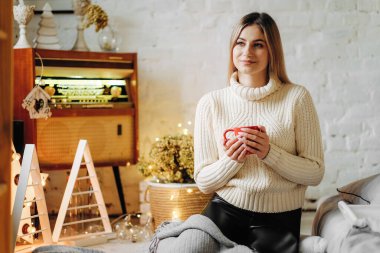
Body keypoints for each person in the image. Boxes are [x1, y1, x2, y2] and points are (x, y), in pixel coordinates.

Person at [194, 12, 324, 253]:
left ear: (272, 50)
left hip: (279, 216)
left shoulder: (297, 98)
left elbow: (315, 173)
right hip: (225, 207)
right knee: (188, 246)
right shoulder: (211, 103)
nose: (247, 53)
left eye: (258, 45)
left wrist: (269, 153)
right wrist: (232, 159)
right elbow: (203, 181)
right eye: (240, 43)